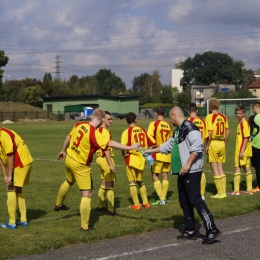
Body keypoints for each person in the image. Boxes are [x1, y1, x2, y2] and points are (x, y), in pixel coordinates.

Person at [54, 108, 139, 231]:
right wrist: (130, 146)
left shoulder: (80, 124)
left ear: (91, 117)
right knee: (87, 194)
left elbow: (68, 137)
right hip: (80, 165)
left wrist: (63, 150)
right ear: (101, 119)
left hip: (69, 159)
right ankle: (84, 226)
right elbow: (110, 144)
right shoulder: (94, 134)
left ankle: (58, 204)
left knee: (68, 181)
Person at [145, 107, 221, 244]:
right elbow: (167, 146)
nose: (169, 120)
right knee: (184, 201)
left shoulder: (190, 127)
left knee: (195, 199)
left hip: (191, 170)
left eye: (170, 117)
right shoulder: (178, 130)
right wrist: (150, 151)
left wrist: (187, 164)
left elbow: (197, 147)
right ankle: (190, 229)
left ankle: (212, 229)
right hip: (182, 171)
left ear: (174, 115)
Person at [121, 112, 156, 210]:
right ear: (135, 119)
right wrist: (146, 152)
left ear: (127, 121)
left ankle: (136, 204)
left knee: (132, 182)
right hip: (141, 159)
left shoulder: (126, 132)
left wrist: (124, 155)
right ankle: (145, 202)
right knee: (140, 181)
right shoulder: (143, 130)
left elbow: (123, 147)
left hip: (131, 159)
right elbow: (152, 143)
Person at [0, 127, 33, 229]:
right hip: (23, 161)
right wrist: (5, 175)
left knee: (10, 189)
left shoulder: (4, 135)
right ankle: (23, 220)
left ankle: (11, 222)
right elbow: (0, 158)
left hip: (20, 162)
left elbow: (10, 156)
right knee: (18, 189)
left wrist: (9, 175)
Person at [205, 98, 230, 199]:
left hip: (214, 143)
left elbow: (210, 133)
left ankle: (220, 193)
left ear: (210, 107)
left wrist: (207, 145)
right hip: (221, 143)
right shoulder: (223, 117)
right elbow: (228, 132)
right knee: (221, 169)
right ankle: (224, 192)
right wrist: (224, 143)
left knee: (215, 169)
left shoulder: (210, 117)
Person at [147, 106, 172, 205]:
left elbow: (149, 137)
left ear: (156, 113)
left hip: (157, 153)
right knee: (165, 175)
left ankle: (161, 199)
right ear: (165, 114)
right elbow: (171, 139)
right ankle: (164, 197)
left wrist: (152, 147)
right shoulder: (168, 125)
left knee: (155, 175)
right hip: (167, 154)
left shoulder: (153, 124)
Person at [95, 111, 116, 215]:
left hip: (99, 158)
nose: (111, 121)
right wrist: (110, 164)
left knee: (104, 182)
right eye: (109, 119)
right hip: (105, 158)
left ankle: (100, 206)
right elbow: (106, 149)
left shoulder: (97, 130)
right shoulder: (105, 132)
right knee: (110, 184)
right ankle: (111, 210)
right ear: (103, 119)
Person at [188, 103, 208, 200]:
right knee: (201, 170)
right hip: (200, 148)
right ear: (197, 111)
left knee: (190, 171)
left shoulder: (188, 121)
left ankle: (193, 193)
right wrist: (205, 145)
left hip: (190, 150)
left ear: (188, 111)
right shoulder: (202, 121)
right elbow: (207, 136)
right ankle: (202, 194)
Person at [231, 106, 252, 195]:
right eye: (237, 113)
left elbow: (246, 137)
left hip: (241, 150)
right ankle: (249, 190)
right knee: (246, 168)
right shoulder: (242, 123)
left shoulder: (243, 123)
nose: (238, 115)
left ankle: (236, 191)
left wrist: (242, 150)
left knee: (237, 168)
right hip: (246, 150)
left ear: (244, 114)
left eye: (240, 113)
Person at [249, 101, 260, 192]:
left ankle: (259, 186)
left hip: (256, 144)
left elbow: (251, 131)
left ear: (254, 108)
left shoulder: (253, 118)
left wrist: (250, 138)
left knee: (258, 166)